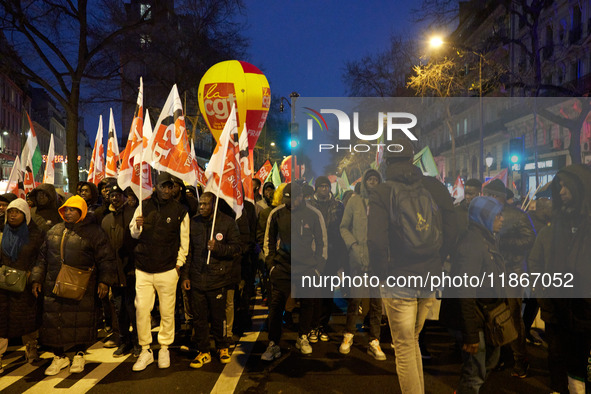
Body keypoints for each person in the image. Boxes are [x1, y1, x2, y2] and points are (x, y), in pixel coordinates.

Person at [367, 139, 457, 394]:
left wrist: (382, 275)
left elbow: (374, 240)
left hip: (399, 279)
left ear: (387, 163)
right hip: (430, 276)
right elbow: (453, 226)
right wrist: (440, 258)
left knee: (404, 346)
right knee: (413, 339)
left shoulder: (382, 192)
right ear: (412, 160)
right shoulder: (433, 186)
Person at [30, 195, 116, 375]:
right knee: (55, 321)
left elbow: (106, 259)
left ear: (82, 211)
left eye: (72, 210)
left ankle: (79, 354)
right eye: (65, 210)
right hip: (53, 284)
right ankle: (59, 356)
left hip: (82, 284)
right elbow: (42, 258)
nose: (68, 213)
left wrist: (104, 281)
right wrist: (37, 278)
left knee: (80, 320)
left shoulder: (94, 232)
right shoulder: (54, 230)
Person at [529, 164, 591, 393]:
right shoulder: (550, 230)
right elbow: (534, 265)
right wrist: (544, 296)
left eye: (566, 186)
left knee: (581, 363)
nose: (562, 192)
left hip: (584, 311)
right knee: (556, 358)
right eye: (560, 187)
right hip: (556, 309)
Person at [441, 196, 506, 393]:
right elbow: (464, 290)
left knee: (484, 366)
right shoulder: (473, 244)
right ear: (484, 217)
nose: (502, 219)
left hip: (484, 315)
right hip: (473, 319)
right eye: (497, 215)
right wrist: (470, 334)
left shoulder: (486, 238)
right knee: (474, 374)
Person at [129, 172, 189, 371]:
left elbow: (184, 240)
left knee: (167, 311)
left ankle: (164, 347)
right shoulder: (143, 205)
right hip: (143, 269)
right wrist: (137, 227)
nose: (166, 190)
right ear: (155, 186)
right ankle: (145, 350)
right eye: (163, 186)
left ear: (173, 188)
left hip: (168, 269)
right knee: (142, 310)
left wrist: (179, 264)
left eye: (169, 186)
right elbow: (133, 232)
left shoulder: (180, 210)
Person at [261, 183, 327, 360]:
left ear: (302, 196)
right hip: (282, 267)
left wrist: (318, 269)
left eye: (293, 198)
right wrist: (271, 266)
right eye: (287, 198)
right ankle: (273, 343)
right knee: (276, 305)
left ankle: (302, 337)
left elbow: (322, 243)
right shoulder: (277, 214)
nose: (290, 202)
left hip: (307, 268)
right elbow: (268, 240)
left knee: (307, 303)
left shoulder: (314, 214)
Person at [181, 192, 241, 368]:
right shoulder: (194, 222)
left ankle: (222, 347)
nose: (201, 207)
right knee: (199, 318)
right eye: (200, 204)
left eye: (206, 204)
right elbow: (188, 251)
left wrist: (218, 248)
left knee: (218, 318)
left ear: (214, 205)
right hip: (197, 279)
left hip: (218, 279)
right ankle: (204, 351)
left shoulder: (227, 222)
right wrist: (186, 276)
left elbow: (237, 248)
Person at [483, 179, 535, 378]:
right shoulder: (486, 214)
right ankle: (501, 356)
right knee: (496, 314)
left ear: (498, 197)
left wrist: (504, 243)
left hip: (513, 270)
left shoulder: (517, 215)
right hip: (495, 270)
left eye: (487, 194)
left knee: (513, 316)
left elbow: (530, 238)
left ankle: (521, 359)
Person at [339, 169, 385, 360]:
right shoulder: (354, 201)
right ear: (365, 182)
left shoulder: (383, 203)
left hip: (377, 258)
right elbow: (344, 227)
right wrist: (353, 245)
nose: (372, 183)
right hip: (357, 256)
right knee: (355, 298)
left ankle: (374, 340)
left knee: (376, 302)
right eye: (370, 179)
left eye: (376, 180)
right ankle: (349, 333)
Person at [0, 199, 45, 373]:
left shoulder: (36, 234)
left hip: (26, 285)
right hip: (3, 285)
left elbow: (41, 258)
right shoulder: (2, 232)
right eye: (10, 212)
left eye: (17, 212)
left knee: (27, 319)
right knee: (2, 321)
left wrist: (34, 277)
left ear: (26, 214)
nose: (12, 215)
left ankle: (31, 348)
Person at [101, 183, 140, 357]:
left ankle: (139, 342)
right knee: (120, 309)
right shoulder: (106, 220)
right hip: (115, 272)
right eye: (111, 195)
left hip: (131, 271)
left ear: (124, 197)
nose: (115, 198)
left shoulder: (133, 215)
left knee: (134, 308)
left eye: (118, 195)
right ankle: (124, 341)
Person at [308, 176, 345, 342]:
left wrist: (340, 259)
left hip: (332, 254)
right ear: (316, 188)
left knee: (328, 293)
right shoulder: (308, 205)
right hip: (314, 256)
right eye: (321, 186)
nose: (324, 189)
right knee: (314, 293)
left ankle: (323, 325)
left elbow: (342, 231)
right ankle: (312, 326)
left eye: (326, 186)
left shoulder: (339, 206)